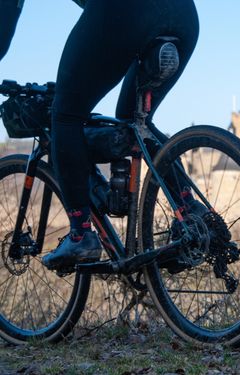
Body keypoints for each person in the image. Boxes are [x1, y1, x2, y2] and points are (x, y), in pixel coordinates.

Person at [0, 0, 200, 270]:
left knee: (66, 115)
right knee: (133, 121)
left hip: (126, 9)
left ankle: (81, 233)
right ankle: (191, 213)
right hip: (183, 13)